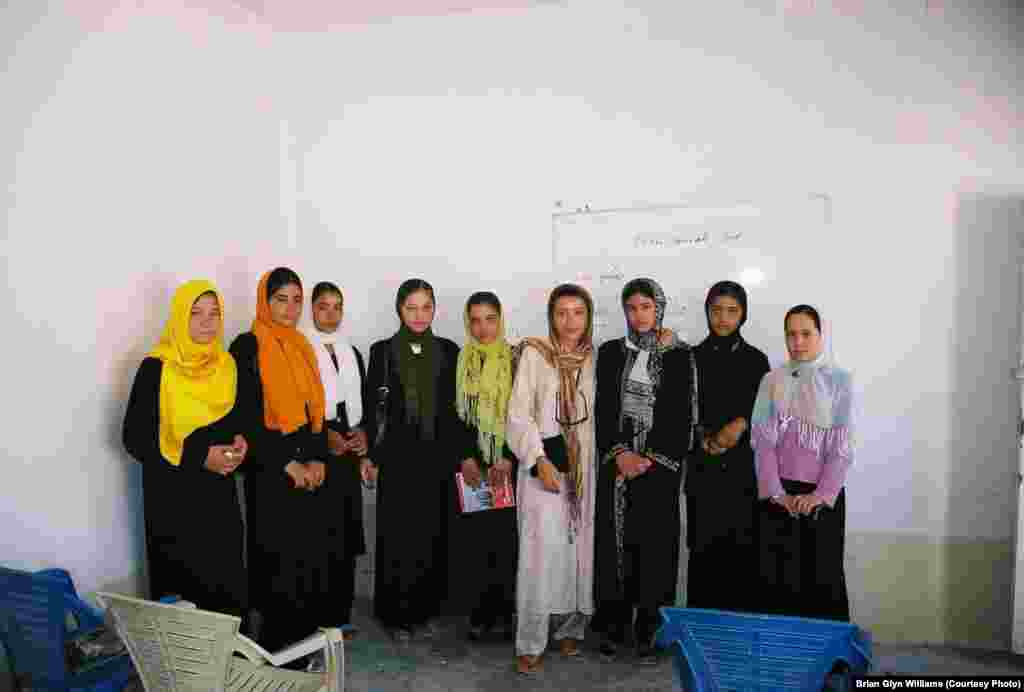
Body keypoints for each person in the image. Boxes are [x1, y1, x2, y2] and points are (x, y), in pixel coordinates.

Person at [123, 280, 248, 620]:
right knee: (183, 605)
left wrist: (241, 443)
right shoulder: (156, 368)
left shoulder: (226, 366)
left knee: (224, 594)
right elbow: (134, 438)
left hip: (218, 502)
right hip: (173, 505)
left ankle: (228, 654)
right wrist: (200, 457)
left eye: (214, 313)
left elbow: (236, 421)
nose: (207, 322)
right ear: (180, 317)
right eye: (196, 313)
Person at [592, 278, 695, 664]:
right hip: (618, 467)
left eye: (646, 307)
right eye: (632, 308)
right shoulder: (610, 352)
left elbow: (682, 414)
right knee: (615, 547)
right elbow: (603, 408)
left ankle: (651, 629)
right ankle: (613, 625)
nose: (639, 315)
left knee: (655, 549)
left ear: (659, 309)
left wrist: (649, 458)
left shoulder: (679, 355)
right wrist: (620, 454)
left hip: (659, 469)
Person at [229, 267, 330, 656]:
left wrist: (318, 458)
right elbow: (246, 418)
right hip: (271, 472)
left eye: (297, 300)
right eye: (281, 299)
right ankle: (275, 648)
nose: (290, 308)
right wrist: (286, 463)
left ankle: (302, 642)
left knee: (307, 558)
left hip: (307, 468)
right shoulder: (247, 346)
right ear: (265, 301)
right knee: (275, 561)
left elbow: (315, 409)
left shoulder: (302, 345)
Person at [363, 279, 461, 641]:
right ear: (399, 310)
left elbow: (455, 409)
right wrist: (371, 456)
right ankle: (395, 615)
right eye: (411, 308)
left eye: (426, 307)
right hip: (398, 460)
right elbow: (375, 409)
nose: (420, 315)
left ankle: (426, 609)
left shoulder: (449, 350)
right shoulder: (383, 351)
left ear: (434, 309)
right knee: (398, 538)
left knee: (432, 536)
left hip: (437, 460)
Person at [506, 283, 597, 675]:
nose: (570, 321)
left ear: (588, 317)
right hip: (543, 470)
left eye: (578, 312)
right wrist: (537, 458)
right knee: (539, 555)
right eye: (562, 313)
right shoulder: (534, 354)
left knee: (578, 550)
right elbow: (518, 413)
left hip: (582, 473)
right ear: (550, 317)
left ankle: (570, 628)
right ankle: (530, 640)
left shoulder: (594, 358)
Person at [752, 304, 855, 621]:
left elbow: (842, 447)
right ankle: (781, 648)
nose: (797, 342)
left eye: (806, 334)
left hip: (822, 498)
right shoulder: (771, 381)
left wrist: (819, 496)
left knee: (823, 579)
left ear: (820, 335)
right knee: (777, 580)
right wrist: (777, 494)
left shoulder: (840, 381)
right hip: (779, 497)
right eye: (791, 335)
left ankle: (826, 650)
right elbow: (762, 442)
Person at [687, 281, 771, 612]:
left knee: (742, 553)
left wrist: (740, 425)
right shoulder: (691, 358)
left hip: (742, 475)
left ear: (743, 314)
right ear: (707, 312)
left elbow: (766, 413)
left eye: (732, 311)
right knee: (703, 554)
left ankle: (738, 630)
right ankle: (702, 631)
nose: (723, 318)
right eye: (716, 310)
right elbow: (680, 410)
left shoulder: (756, 360)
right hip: (703, 473)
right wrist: (702, 436)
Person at [301, 281, 373, 640]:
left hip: (345, 455)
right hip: (317, 452)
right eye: (323, 306)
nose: (331, 314)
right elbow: (299, 406)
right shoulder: (302, 350)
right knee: (318, 538)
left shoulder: (351, 352)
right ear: (312, 310)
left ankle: (340, 615)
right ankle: (317, 617)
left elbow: (362, 406)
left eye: (337, 307)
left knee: (345, 536)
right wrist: (323, 437)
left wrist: (362, 436)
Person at [453, 291, 518, 641]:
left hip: (505, 464)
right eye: (475, 320)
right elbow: (456, 414)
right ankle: (479, 614)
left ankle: (504, 614)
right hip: (474, 466)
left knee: (504, 543)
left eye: (490, 319)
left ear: (500, 319)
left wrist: (507, 457)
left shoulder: (515, 359)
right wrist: (466, 457)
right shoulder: (462, 360)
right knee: (475, 544)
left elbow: (523, 412)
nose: (483, 328)